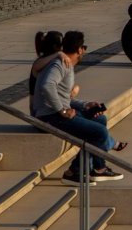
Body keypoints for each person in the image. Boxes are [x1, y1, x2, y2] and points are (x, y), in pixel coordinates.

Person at [33, 31, 125, 184]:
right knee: (99, 132)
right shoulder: (61, 64)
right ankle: (74, 172)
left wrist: (85, 105)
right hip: (50, 116)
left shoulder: (65, 64)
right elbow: (46, 86)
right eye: (84, 48)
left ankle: (98, 168)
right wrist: (61, 110)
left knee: (100, 119)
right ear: (80, 49)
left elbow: (64, 96)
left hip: (55, 112)